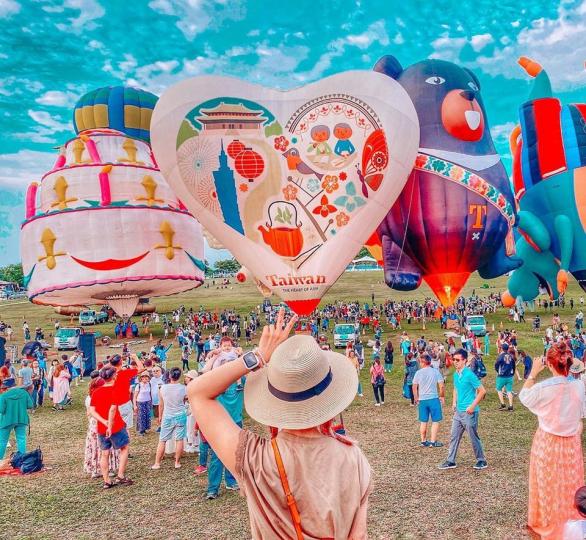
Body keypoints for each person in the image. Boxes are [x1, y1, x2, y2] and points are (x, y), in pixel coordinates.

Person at [187, 309, 372, 538]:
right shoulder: (354, 458)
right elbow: (358, 535)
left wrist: (257, 356)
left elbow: (197, 393)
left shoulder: (255, 458)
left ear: (274, 398)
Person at [519, 343, 585, 539]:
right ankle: (570, 520)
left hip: (547, 442)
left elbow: (524, 396)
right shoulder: (579, 386)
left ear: (549, 364)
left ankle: (548, 520)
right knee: (570, 483)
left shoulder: (543, 388)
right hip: (571, 442)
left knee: (547, 484)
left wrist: (532, 374)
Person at [439, 348, 488, 470]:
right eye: (453, 359)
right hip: (458, 412)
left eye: (457, 360)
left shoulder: (469, 375)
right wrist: (454, 403)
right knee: (454, 436)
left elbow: (482, 391)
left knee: (473, 437)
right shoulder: (456, 374)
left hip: (469, 412)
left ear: (464, 361)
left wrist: (472, 406)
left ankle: (481, 460)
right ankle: (451, 461)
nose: (455, 362)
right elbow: (455, 388)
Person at [89, 366, 132, 489]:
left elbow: (92, 411)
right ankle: (120, 475)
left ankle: (107, 480)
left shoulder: (96, 392)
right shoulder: (116, 389)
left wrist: (103, 422)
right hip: (116, 425)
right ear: (113, 376)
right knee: (124, 448)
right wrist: (109, 424)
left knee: (104, 453)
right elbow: (113, 409)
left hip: (101, 427)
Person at [84, 374, 120, 479]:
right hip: (103, 422)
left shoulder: (89, 397)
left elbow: (88, 412)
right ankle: (106, 469)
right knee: (105, 447)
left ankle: (95, 469)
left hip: (93, 423)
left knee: (94, 446)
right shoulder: (103, 395)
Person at [151, 367, 187, 470]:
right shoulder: (184, 388)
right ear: (179, 376)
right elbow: (185, 400)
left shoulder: (162, 388)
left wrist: (160, 416)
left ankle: (157, 463)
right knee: (179, 439)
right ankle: (177, 462)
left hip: (168, 415)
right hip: (180, 415)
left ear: (169, 376)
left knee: (162, 440)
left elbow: (161, 404)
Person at [412, 354, 445, 448]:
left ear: (423, 362)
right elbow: (441, 386)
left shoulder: (418, 373)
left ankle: (423, 441)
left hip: (422, 400)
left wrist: (416, 397)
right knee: (435, 421)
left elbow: (414, 386)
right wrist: (442, 396)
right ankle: (433, 442)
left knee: (423, 421)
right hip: (433, 399)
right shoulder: (435, 372)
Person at [0, 378, 33, 459]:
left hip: (7, 421)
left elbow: (1, 410)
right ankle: (22, 459)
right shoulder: (24, 393)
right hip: (21, 419)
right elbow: (30, 405)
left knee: (3, 441)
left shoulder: (3, 396)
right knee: (21, 438)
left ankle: (0, 459)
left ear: (7, 387)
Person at [494, 343, 518, 411]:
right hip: (509, 376)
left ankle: (503, 404)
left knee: (499, 389)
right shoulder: (511, 356)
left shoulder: (500, 356)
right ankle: (511, 406)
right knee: (509, 391)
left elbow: (496, 365)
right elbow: (514, 365)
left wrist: (498, 371)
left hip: (501, 376)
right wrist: (512, 372)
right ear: (508, 348)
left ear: (502, 348)